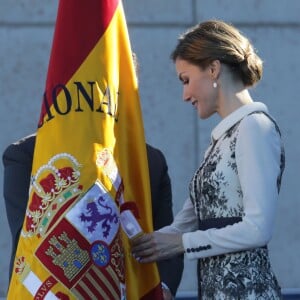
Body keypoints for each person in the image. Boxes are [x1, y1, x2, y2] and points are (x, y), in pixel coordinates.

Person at [131, 19, 285, 299]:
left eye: (186, 80)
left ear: (213, 69)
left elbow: (257, 229)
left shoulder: (254, 127)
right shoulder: (221, 140)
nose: (184, 95)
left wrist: (183, 244)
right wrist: (135, 243)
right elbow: (182, 226)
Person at [3, 134, 183, 299]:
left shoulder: (149, 158)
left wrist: (163, 290)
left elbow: (166, 237)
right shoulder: (26, 153)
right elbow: (27, 237)